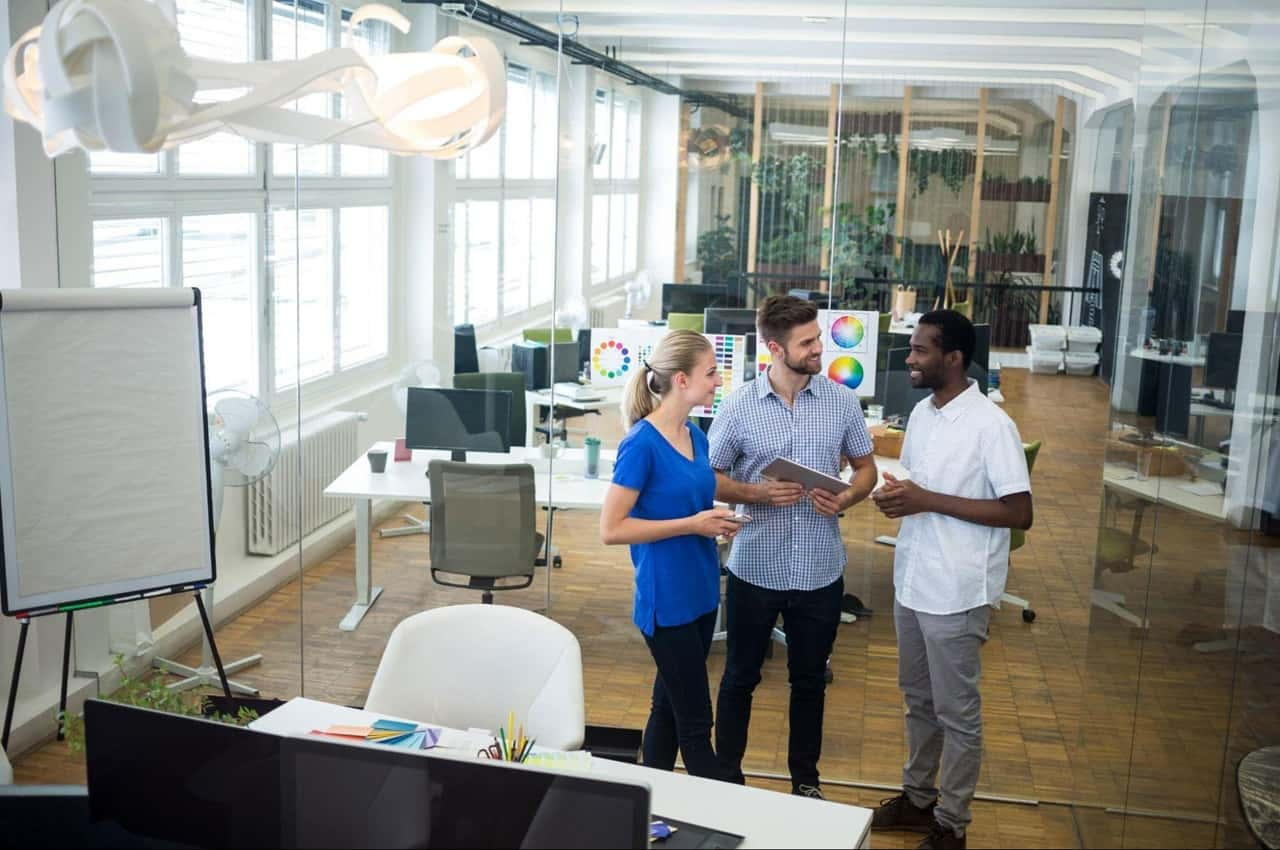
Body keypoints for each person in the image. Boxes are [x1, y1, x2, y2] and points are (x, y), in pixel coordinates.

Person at [870, 310, 1033, 850]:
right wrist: (897, 500)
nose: (909, 359)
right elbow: (917, 486)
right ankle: (918, 800)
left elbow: (1019, 512)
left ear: (954, 358)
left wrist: (925, 500)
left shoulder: (992, 426)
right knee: (918, 700)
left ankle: (952, 824)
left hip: (957, 590)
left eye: (919, 350)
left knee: (956, 714)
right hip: (913, 579)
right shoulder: (921, 413)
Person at [707, 295, 877, 798]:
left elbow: (866, 468)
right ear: (775, 349)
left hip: (821, 571)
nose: (819, 348)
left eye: (819, 337)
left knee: (810, 683)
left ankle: (806, 782)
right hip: (755, 568)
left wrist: (847, 495)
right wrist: (757, 493)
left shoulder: (841, 402)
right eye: (808, 342)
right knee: (739, 677)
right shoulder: (739, 406)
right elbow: (709, 477)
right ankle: (727, 779)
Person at [599, 329, 739, 781]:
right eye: (711, 372)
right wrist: (692, 524)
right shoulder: (641, 444)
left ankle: (644, 803)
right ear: (681, 379)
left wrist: (716, 517)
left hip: (702, 594)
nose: (718, 381)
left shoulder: (695, 436)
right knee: (696, 726)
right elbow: (612, 529)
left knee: (667, 708)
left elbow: (691, 501)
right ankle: (723, 819)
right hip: (667, 602)